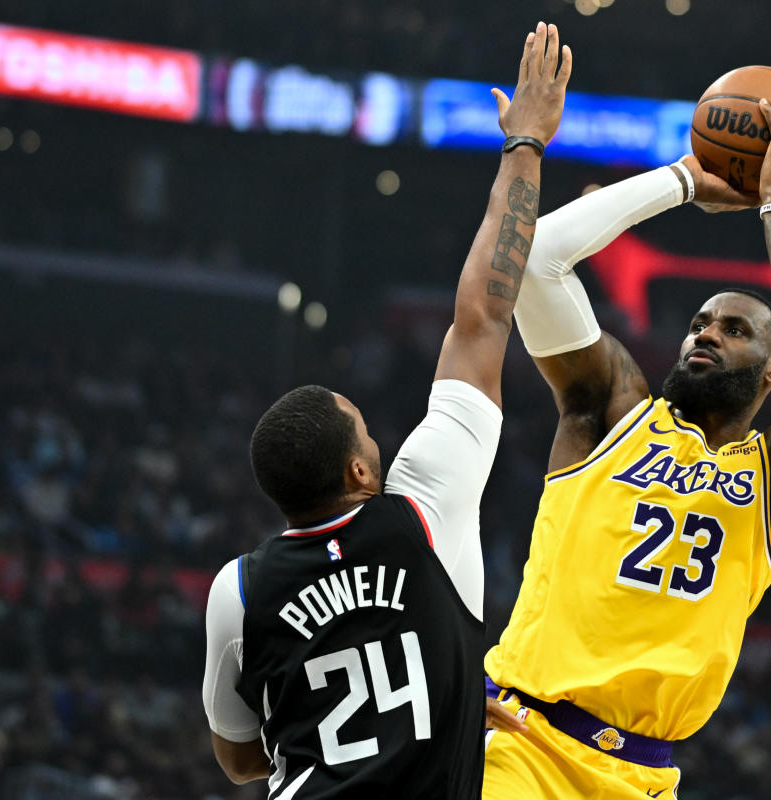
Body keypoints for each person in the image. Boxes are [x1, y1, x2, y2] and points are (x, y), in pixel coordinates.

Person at [201, 22, 571, 799]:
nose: (382, 440)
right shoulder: (426, 510)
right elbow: (483, 315)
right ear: (360, 471)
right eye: (369, 432)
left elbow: (238, 761)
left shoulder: (238, 589)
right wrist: (526, 144)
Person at [482, 87, 771, 798]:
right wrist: (682, 179)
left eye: (734, 330)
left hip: (647, 777)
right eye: (700, 323)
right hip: (526, 749)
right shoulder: (611, 412)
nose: (706, 334)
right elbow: (539, 259)